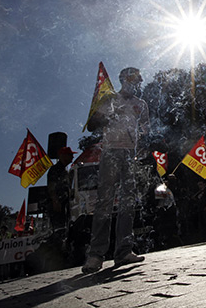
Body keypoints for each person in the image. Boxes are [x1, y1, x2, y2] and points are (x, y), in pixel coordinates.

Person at [82, 67, 150, 274]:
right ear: (122, 79)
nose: (136, 81)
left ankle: (123, 251)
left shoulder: (141, 104)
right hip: (110, 152)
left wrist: (144, 148)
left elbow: (146, 129)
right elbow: (92, 125)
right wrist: (106, 116)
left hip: (130, 155)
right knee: (105, 201)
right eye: (132, 77)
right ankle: (96, 255)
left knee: (128, 202)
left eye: (137, 78)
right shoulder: (110, 98)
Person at [47, 146, 76, 235]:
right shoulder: (55, 169)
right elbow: (51, 186)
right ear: (63, 156)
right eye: (70, 155)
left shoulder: (65, 171)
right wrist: (55, 200)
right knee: (59, 230)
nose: (72, 157)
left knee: (65, 228)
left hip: (65, 204)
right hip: (58, 205)